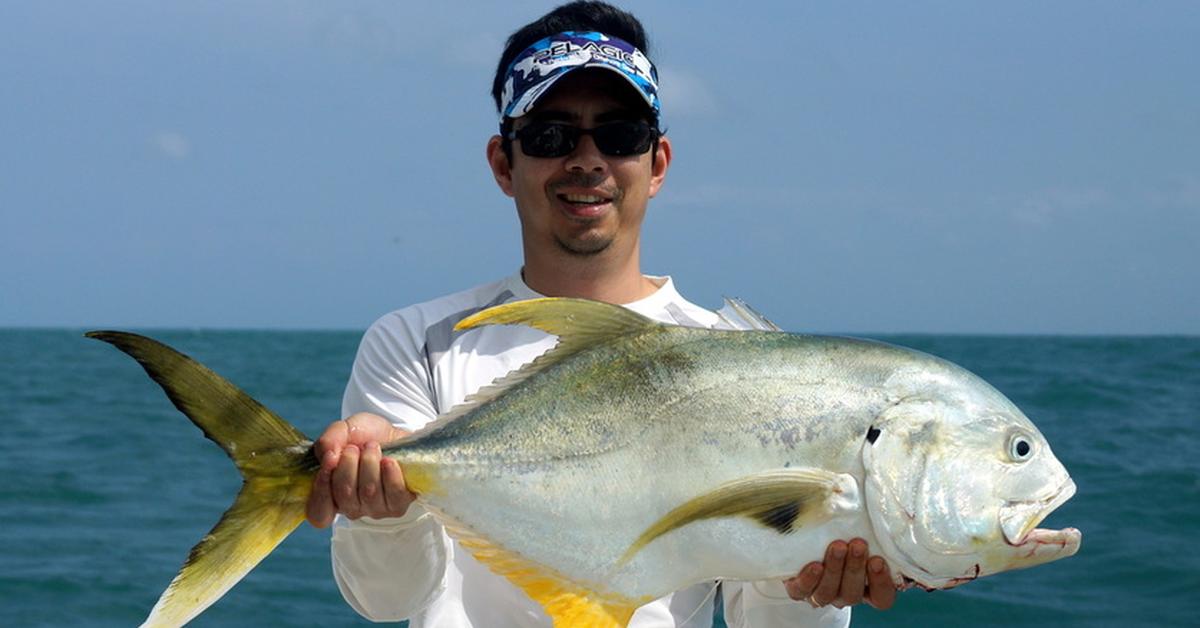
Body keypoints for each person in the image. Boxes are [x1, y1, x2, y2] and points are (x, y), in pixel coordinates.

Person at [305, 2, 896, 626]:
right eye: (550, 137)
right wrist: (384, 511)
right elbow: (385, 599)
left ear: (657, 162)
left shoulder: (739, 364)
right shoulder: (417, 343)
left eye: (619, 135)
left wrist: (808, 585)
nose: (587, 161)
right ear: (504, 164)